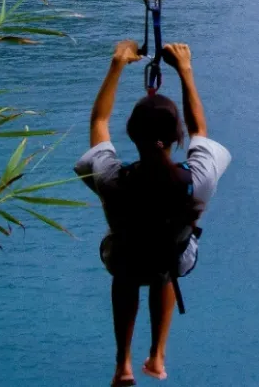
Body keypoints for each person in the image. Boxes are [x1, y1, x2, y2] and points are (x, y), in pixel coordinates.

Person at [75, 41, 231, 386]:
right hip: (174, 259)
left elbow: (99, 121)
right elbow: (199, 133)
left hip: (126, 259)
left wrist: (117, 64)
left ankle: (123, 365)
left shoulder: (112, 179)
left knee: (128, 272)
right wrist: (185, 71)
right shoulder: (199, 179)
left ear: (131, 134)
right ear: (176, 137)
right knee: (166, 261)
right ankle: (157, 356)